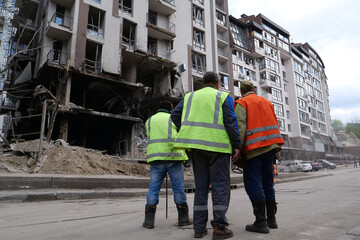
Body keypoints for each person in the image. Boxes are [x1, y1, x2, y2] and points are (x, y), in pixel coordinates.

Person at [171, 71, 240, 239]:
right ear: (217, 83)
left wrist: (189, 131)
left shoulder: (190, 97)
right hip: (218, 147)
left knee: (201, 187)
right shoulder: (223, 96)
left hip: (196, 147)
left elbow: (174, 116)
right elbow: (231, 121)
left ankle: (199, 228)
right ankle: (219, 227)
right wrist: (236, 144)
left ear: (203, 83)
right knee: (220, 186)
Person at [233, 80, 284, 234]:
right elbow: (274, 124)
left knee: (253, 183)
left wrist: (238, 149)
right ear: (254, 89)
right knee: (268, 183)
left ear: (242, 91)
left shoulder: (242, 102)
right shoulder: (267, 102)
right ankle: (272, 220)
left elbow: (240, 128)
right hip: (270, 149)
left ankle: (260, 222)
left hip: (254, 150)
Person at [143, 100, 191, 229]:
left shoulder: (149, 120)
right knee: (178, 188)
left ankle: (149, 221)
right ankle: (183, 219)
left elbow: (150, 137)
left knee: (153, 189)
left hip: (156, 159)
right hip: (174, 158)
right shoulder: (173, 118)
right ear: (170, 109)